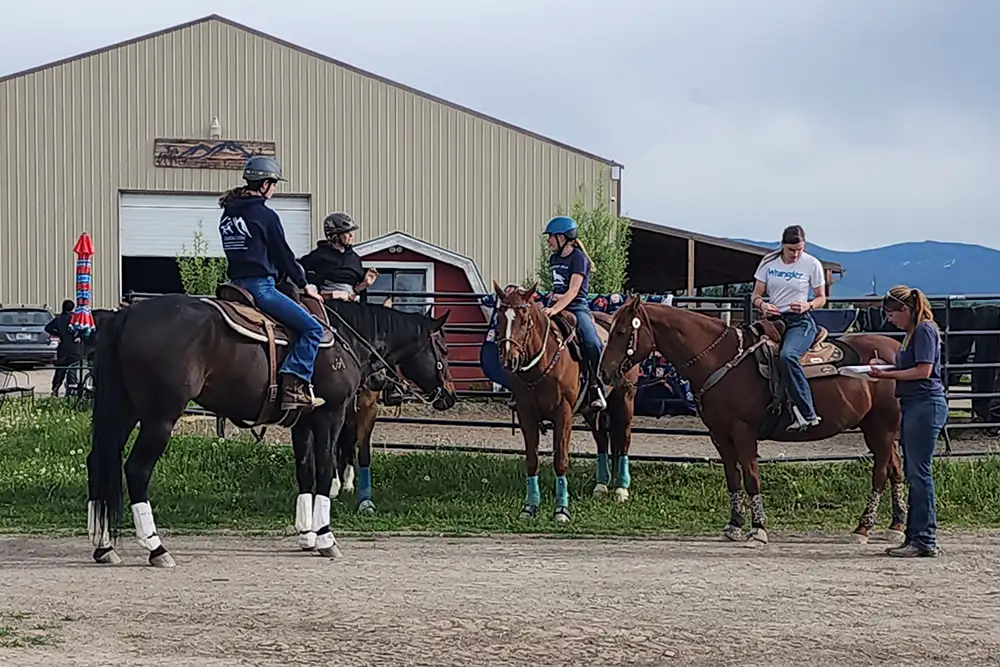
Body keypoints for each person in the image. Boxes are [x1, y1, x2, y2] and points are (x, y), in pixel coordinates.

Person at [218, 155, 326, 411]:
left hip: (235, 286)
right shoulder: (264, 215)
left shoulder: (227, 215)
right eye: (274, 183)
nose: (275, 189)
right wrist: (305, 284)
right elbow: (283, 255)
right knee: (313, 329)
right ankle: (294, 385)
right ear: (265, 184)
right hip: (260, 288)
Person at [869, 286, 946, 558]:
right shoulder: (912, 333)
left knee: (919, 473)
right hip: (916, 404)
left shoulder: (924, 330)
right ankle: (917, 536)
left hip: (924, 404)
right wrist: (885, 367)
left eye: (892, 314)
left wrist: (887, 376)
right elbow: (913, 366)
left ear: (906, 310)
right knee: (916, 472)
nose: (890, 320)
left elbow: (924, 371)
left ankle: (924, 538)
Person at [751, 224, 827, 431]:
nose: (795, 255)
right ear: (783, 246)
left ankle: (807, 411)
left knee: (788, 356)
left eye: (799, 250)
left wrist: (808, 304)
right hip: (773, 321)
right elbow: (756, 295)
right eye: (791, 250)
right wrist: (763, 304)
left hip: (800, 320)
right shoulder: (768, 262)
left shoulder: (812, 264)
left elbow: (822, 298)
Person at [541, 215, 606, 411]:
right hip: (555, 305)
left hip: (576, 307)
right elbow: (558, 286)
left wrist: (555, 308)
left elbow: (573, 291)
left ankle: (597, 387)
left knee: (592, 341)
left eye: (550, 236)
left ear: (562, 237)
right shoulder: (554, 258)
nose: (548, 241)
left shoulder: (579, 258)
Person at [299, 212, 379, 302]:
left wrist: (365, 284)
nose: (351, 236)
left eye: (351, 232)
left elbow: (355, 291)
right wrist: (327, 293)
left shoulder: (355, 259)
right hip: (326, 304)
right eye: (346, 232)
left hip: (350, 304)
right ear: (335, 236)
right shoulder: (318, 256)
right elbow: (301, 276)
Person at [45, 299, 81, 397]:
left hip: (63, 348)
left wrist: (58, 334)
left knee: (60, 370)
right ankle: (71, 390)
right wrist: (78, 336)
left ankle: (55, 388)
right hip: (74, 348)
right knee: (73, 370)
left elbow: (47, 328)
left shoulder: (59, 319)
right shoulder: (76, 319)